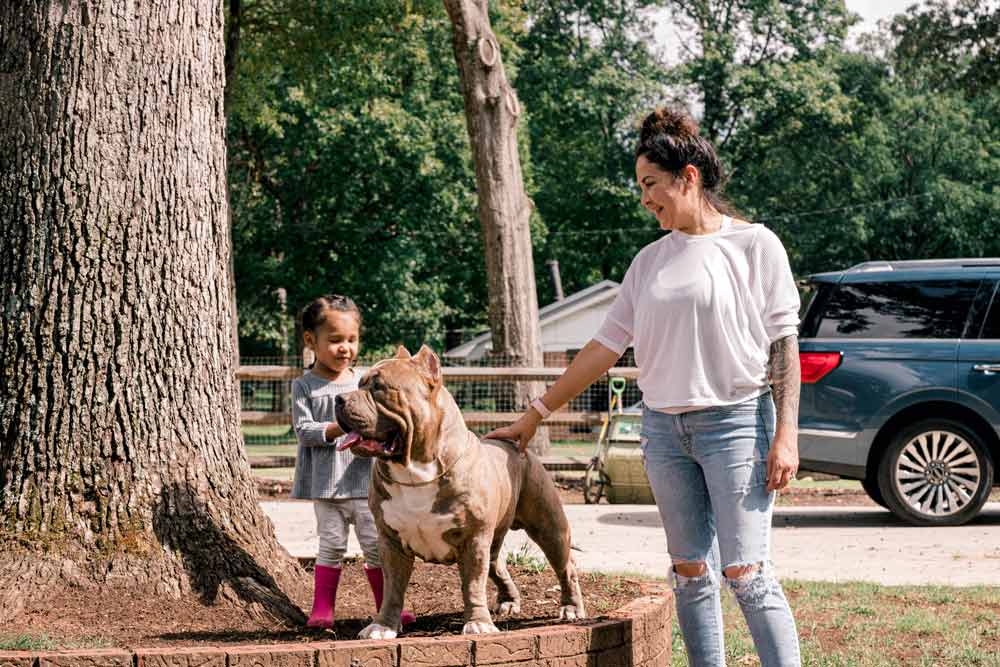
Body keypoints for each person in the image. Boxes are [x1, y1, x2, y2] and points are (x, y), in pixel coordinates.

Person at [486, 107, 802, 666]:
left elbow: (784, 347)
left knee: (746, 573)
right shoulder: (649, 262)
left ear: (689, 177)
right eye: (640, 188)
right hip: (663, 432)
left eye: (651, 185)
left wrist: (787, 435)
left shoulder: (755, 246)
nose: (644, 199)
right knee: (689, 573)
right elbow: (602, 350)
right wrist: (536, 413)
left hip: (737, 425)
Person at [291, 295, 415, 629]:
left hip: (365, 485)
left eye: (351, 339)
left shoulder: (363, 382)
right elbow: (304, 431)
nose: (345, 348)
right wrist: (339, 427)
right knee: (331, 545)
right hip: (327, 486)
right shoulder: (303, 386)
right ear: (310, 340)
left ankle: (389, 607)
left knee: (376, 546)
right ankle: (322, 610)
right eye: (334, 340)